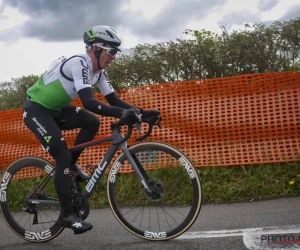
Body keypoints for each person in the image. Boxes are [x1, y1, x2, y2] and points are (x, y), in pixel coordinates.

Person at [22, 25, 160, 234]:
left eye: (116, 52)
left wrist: (142, 111)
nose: (113, 57)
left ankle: (72, 168)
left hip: (56, 110)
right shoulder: (79, 63)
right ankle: (66, 215)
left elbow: (113, 99)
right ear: (96, 49)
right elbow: (89, 101)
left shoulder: (99, 72)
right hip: (36, 111)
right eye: (111, 51)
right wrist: (123, 114)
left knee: (92, 122)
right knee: (61, 155)